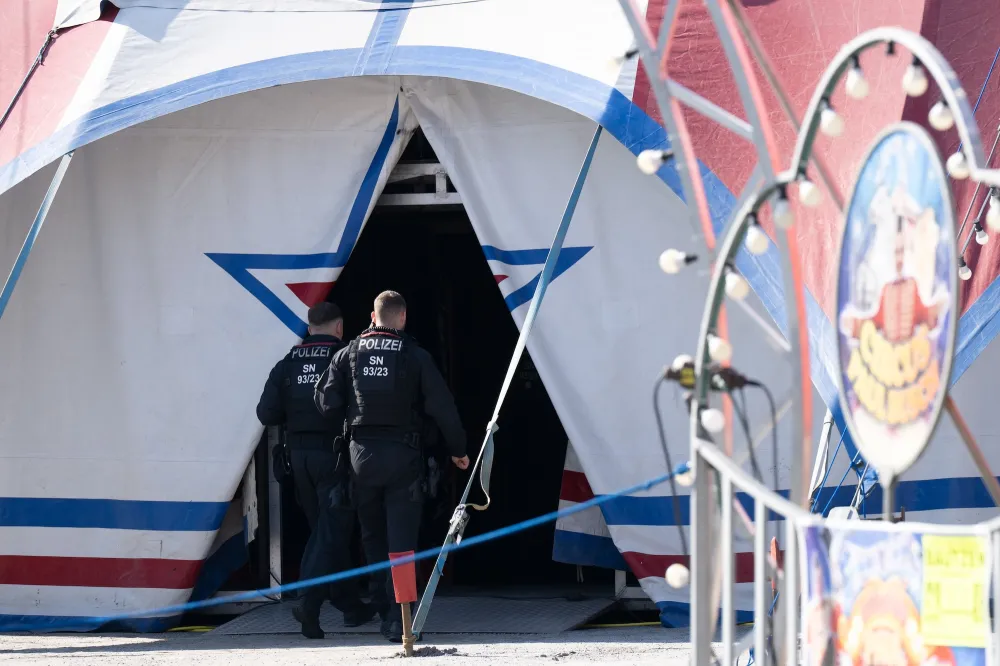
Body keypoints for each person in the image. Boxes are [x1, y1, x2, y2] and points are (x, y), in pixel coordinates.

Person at [315, 290, 470, 643]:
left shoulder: (347, 353)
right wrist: (457, 450)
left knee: (372, 537)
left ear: (373, 315)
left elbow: (325, 403)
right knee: (401, 541)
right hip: (403, 458)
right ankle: (399, 620)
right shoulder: (414, 355)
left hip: (360, 459)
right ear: (402, 317)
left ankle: (385, 608)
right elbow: (443, 407)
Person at [257, 302, 374, 639]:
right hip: (334, 456)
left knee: (326, 532)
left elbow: (266, 413)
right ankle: (308, 602)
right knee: (331, 531)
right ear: (339, 328)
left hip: (298, 459)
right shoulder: (347, 358)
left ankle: (350, 606)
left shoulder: (286, 363)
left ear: (309, 327)